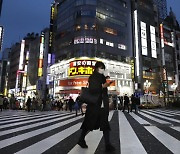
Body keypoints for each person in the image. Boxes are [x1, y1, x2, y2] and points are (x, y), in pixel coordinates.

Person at [77, 61, 115, 152]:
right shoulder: (93, 77)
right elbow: (93, 89)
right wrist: (103, 86)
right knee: (88, 124)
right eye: (101, 68)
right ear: (97, 68)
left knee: (105, 125)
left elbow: (102, 90)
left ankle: (107, 145)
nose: (102, 70)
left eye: (103, 68)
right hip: (94, 105)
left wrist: (106, 84)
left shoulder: (102, 77)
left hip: (101, 105)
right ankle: (81, 139)